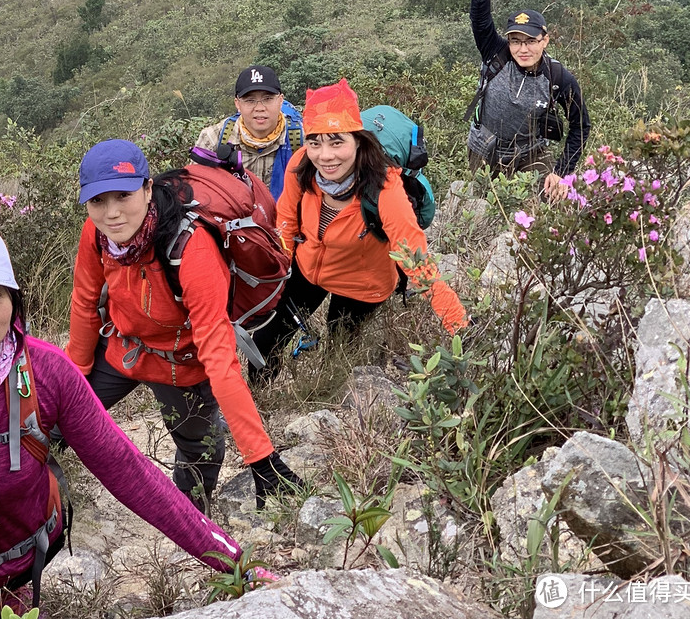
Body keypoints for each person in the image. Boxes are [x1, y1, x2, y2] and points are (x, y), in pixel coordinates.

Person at [0, 225, 249, 619]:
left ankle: (4, 592)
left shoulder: (47, 372)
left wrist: (236, 565)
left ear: (12, 298)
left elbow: (129, 471)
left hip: (26, 550)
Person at [66, 139, 301, 511]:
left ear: (147, 189)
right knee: (54, 421)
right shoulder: (97, 235)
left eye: (123, 196)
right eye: (98, 201)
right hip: (124, 347)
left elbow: (219, 357)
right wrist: (73, 382)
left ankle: (190, 519)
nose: (111, 214)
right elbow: (83, 301)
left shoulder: (191, 249)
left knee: (199, 452)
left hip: (182, 362)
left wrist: (261, 457)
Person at [255, 79, 467, 373]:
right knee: (266, 341)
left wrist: (461, 327)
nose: (325, 156)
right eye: (315, 142)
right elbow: (286, 222)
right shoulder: (302, 165)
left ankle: (327, 391)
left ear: (358, 139)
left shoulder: (384, 187)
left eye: (337, 141)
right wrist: (276, 277)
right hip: (307, 267)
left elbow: (418, 262)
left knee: (339, 350)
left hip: (362, 282)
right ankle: (259, 403)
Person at [469, 0, 589, 200]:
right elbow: (480, 21)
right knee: (482, 208)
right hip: (484, 149)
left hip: (530, 153)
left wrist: (562, 171)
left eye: (531, 41)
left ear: (545, 40)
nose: (522, 49)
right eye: (515, 41)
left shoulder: (558, 78)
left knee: (547, 204)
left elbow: (580, 125)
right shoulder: (496, 54)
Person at [195, 65, 303, 200]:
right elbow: (195, 192)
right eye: (250, 100)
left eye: (268, 99)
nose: (259, 108)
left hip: (284, 219)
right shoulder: (213, 139)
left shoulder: (300, 139)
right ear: (237, 104)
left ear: (280, 100)